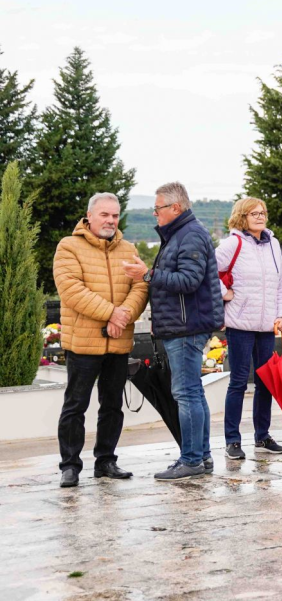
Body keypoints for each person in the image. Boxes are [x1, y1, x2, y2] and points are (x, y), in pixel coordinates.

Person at [122, 182, 224, 481]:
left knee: (186, 393)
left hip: (185, 327)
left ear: (175, 207)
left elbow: (189, 281)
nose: (155, 214)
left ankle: (191, 460)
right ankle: (201, 457)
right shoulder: (182, 234)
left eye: (158, 208)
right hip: (183, 325)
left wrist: (147, 274)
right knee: (193, 393)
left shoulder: (189, 235)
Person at [54, 193, 149, 488]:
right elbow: (71, 289)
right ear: (90, 216)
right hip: (83, 342)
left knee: (112, 405)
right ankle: (70, 466)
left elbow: (140, 287)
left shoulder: (129, 249)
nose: (110, 220)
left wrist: (124, 315)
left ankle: (106, 461)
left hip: (118, 342)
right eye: (104, 215)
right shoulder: (68, 246)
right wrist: (112, 313)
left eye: (115, 215)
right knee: (75, 406)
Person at [216, 197, 282, 460]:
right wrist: (224, 293)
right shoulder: (232, 243)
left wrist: (281, 314)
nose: (260, 217)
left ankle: (262, 436)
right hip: (240, 324)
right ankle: (232, 440)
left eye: (263, 213)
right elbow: (207, 271)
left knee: (265, 383)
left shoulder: (273, 244)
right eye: (254, 213)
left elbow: (281, 284)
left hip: (267, 326)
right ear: (242, 217)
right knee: (238, 383)